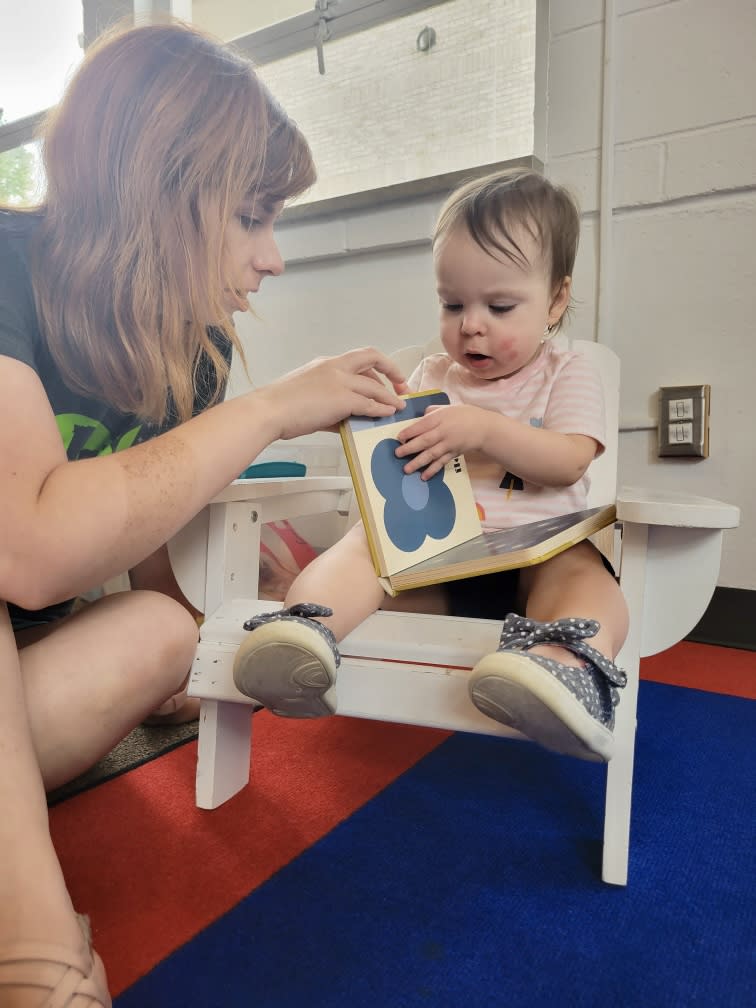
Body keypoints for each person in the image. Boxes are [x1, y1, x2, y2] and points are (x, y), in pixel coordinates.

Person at [0, 20, 409, 1007]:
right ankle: (36, 943)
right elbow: (30, 551)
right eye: (253, 216)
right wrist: (273, 408)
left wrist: (253, 603)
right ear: (161, 188)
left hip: (24, 687)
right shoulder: (9, 261)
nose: (271, 258)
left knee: (159, 629)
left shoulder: (191, 351)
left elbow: (153, 583)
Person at [233, 167, 630, 763]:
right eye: (453, 304)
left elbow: (570, 460)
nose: (471, 323)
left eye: (499, 305)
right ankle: (303, 630)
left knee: (584, 576)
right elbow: (396, 469)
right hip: (438, 563)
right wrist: (373, 417)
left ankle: (561, 668)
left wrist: (486, 430)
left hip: (536, 562)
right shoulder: (432, 378)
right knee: (364, 546)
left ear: (555, 300)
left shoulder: (568, 373)